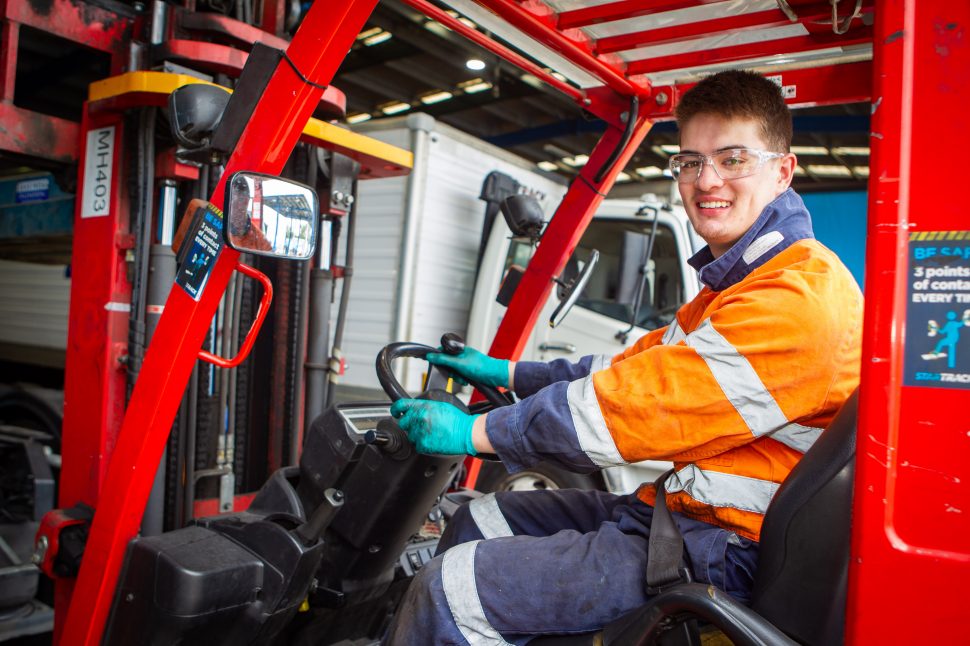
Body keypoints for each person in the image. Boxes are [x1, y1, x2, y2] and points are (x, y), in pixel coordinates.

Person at [384, 70, 863, 645]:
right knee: (479, 516)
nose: (706, 180)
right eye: (690, 161)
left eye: (733, 159)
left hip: (721, 552)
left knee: (447, 587)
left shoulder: (796, 296)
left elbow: (635, 408)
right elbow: (627, 372)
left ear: (782, 171)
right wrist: (503, 371)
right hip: (676, 518)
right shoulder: (735, 290)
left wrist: (474, 432)